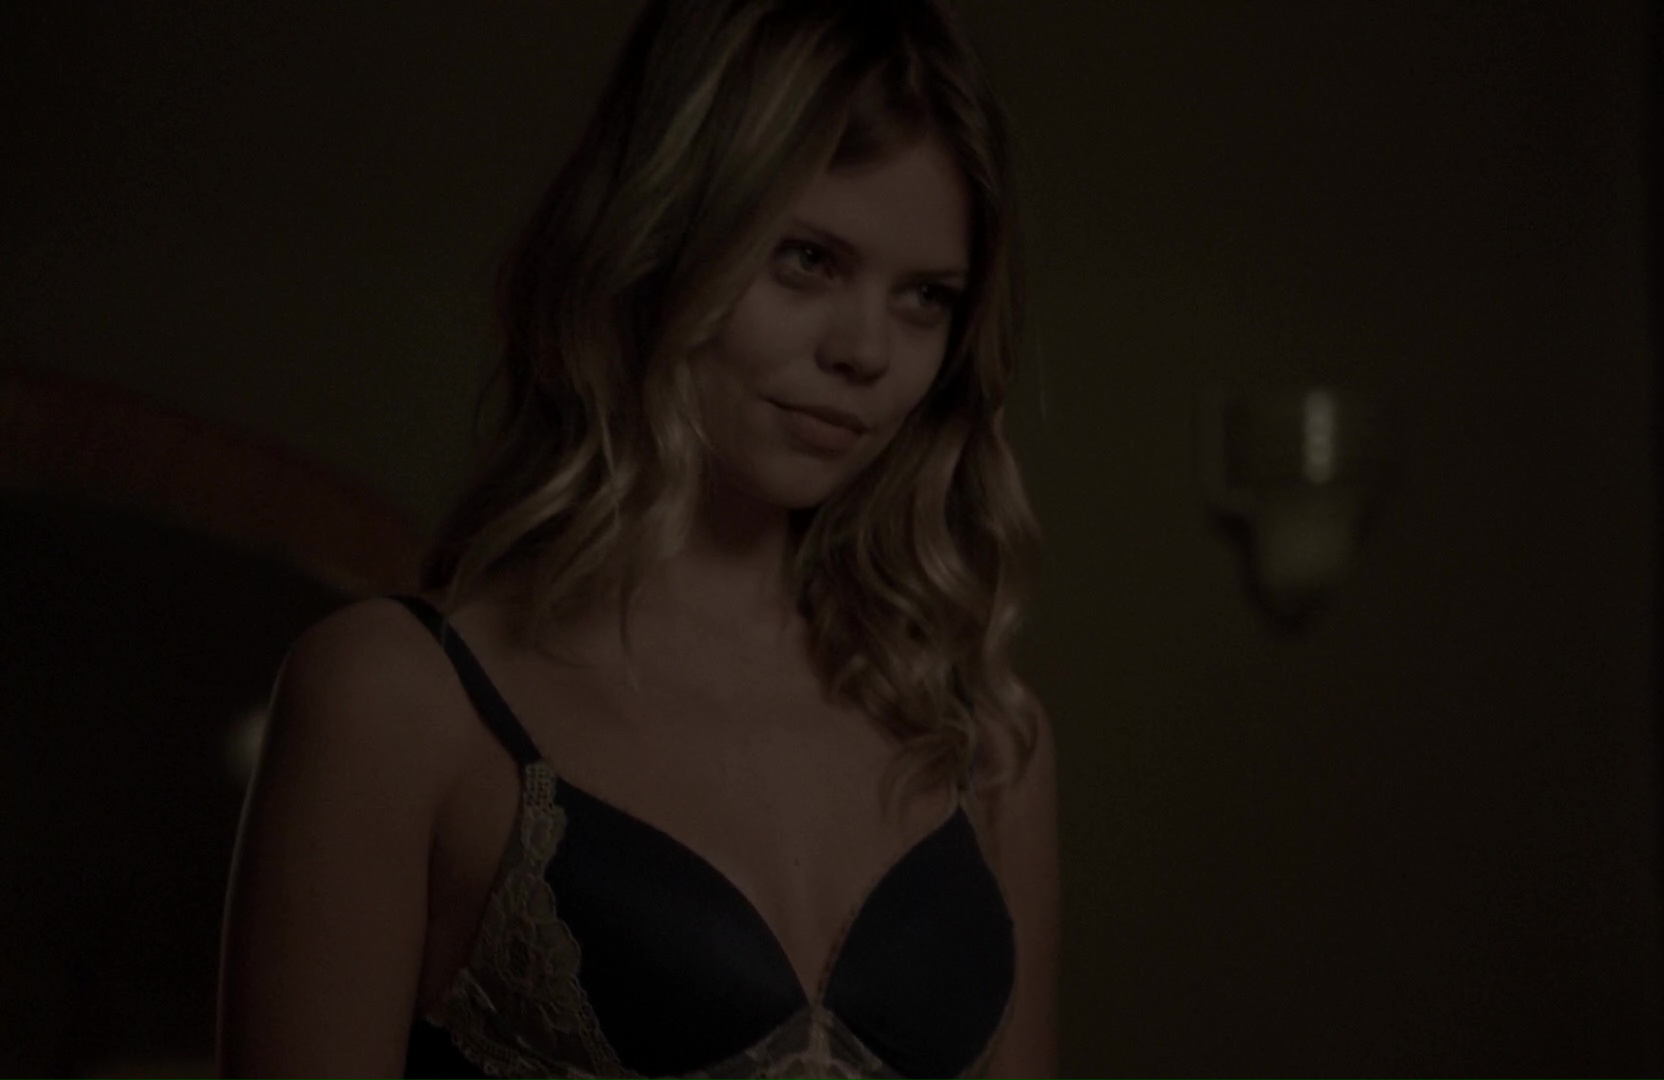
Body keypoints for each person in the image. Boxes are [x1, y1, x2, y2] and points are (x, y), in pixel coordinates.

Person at [213, 1, 1058, 1077]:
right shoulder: (398, 702)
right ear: (663, 241)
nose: (866, 350)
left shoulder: (985, 740)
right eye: (807, 259)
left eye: (926, 297)